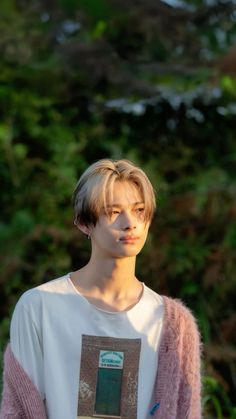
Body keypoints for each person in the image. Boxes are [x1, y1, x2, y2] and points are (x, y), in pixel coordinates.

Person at [0, 159, 202, 419]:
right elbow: (18, 410)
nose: (130, 223)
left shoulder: (174, 324)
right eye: (113, 212)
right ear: (84, 223)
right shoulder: (39, 306)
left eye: (139, 210)